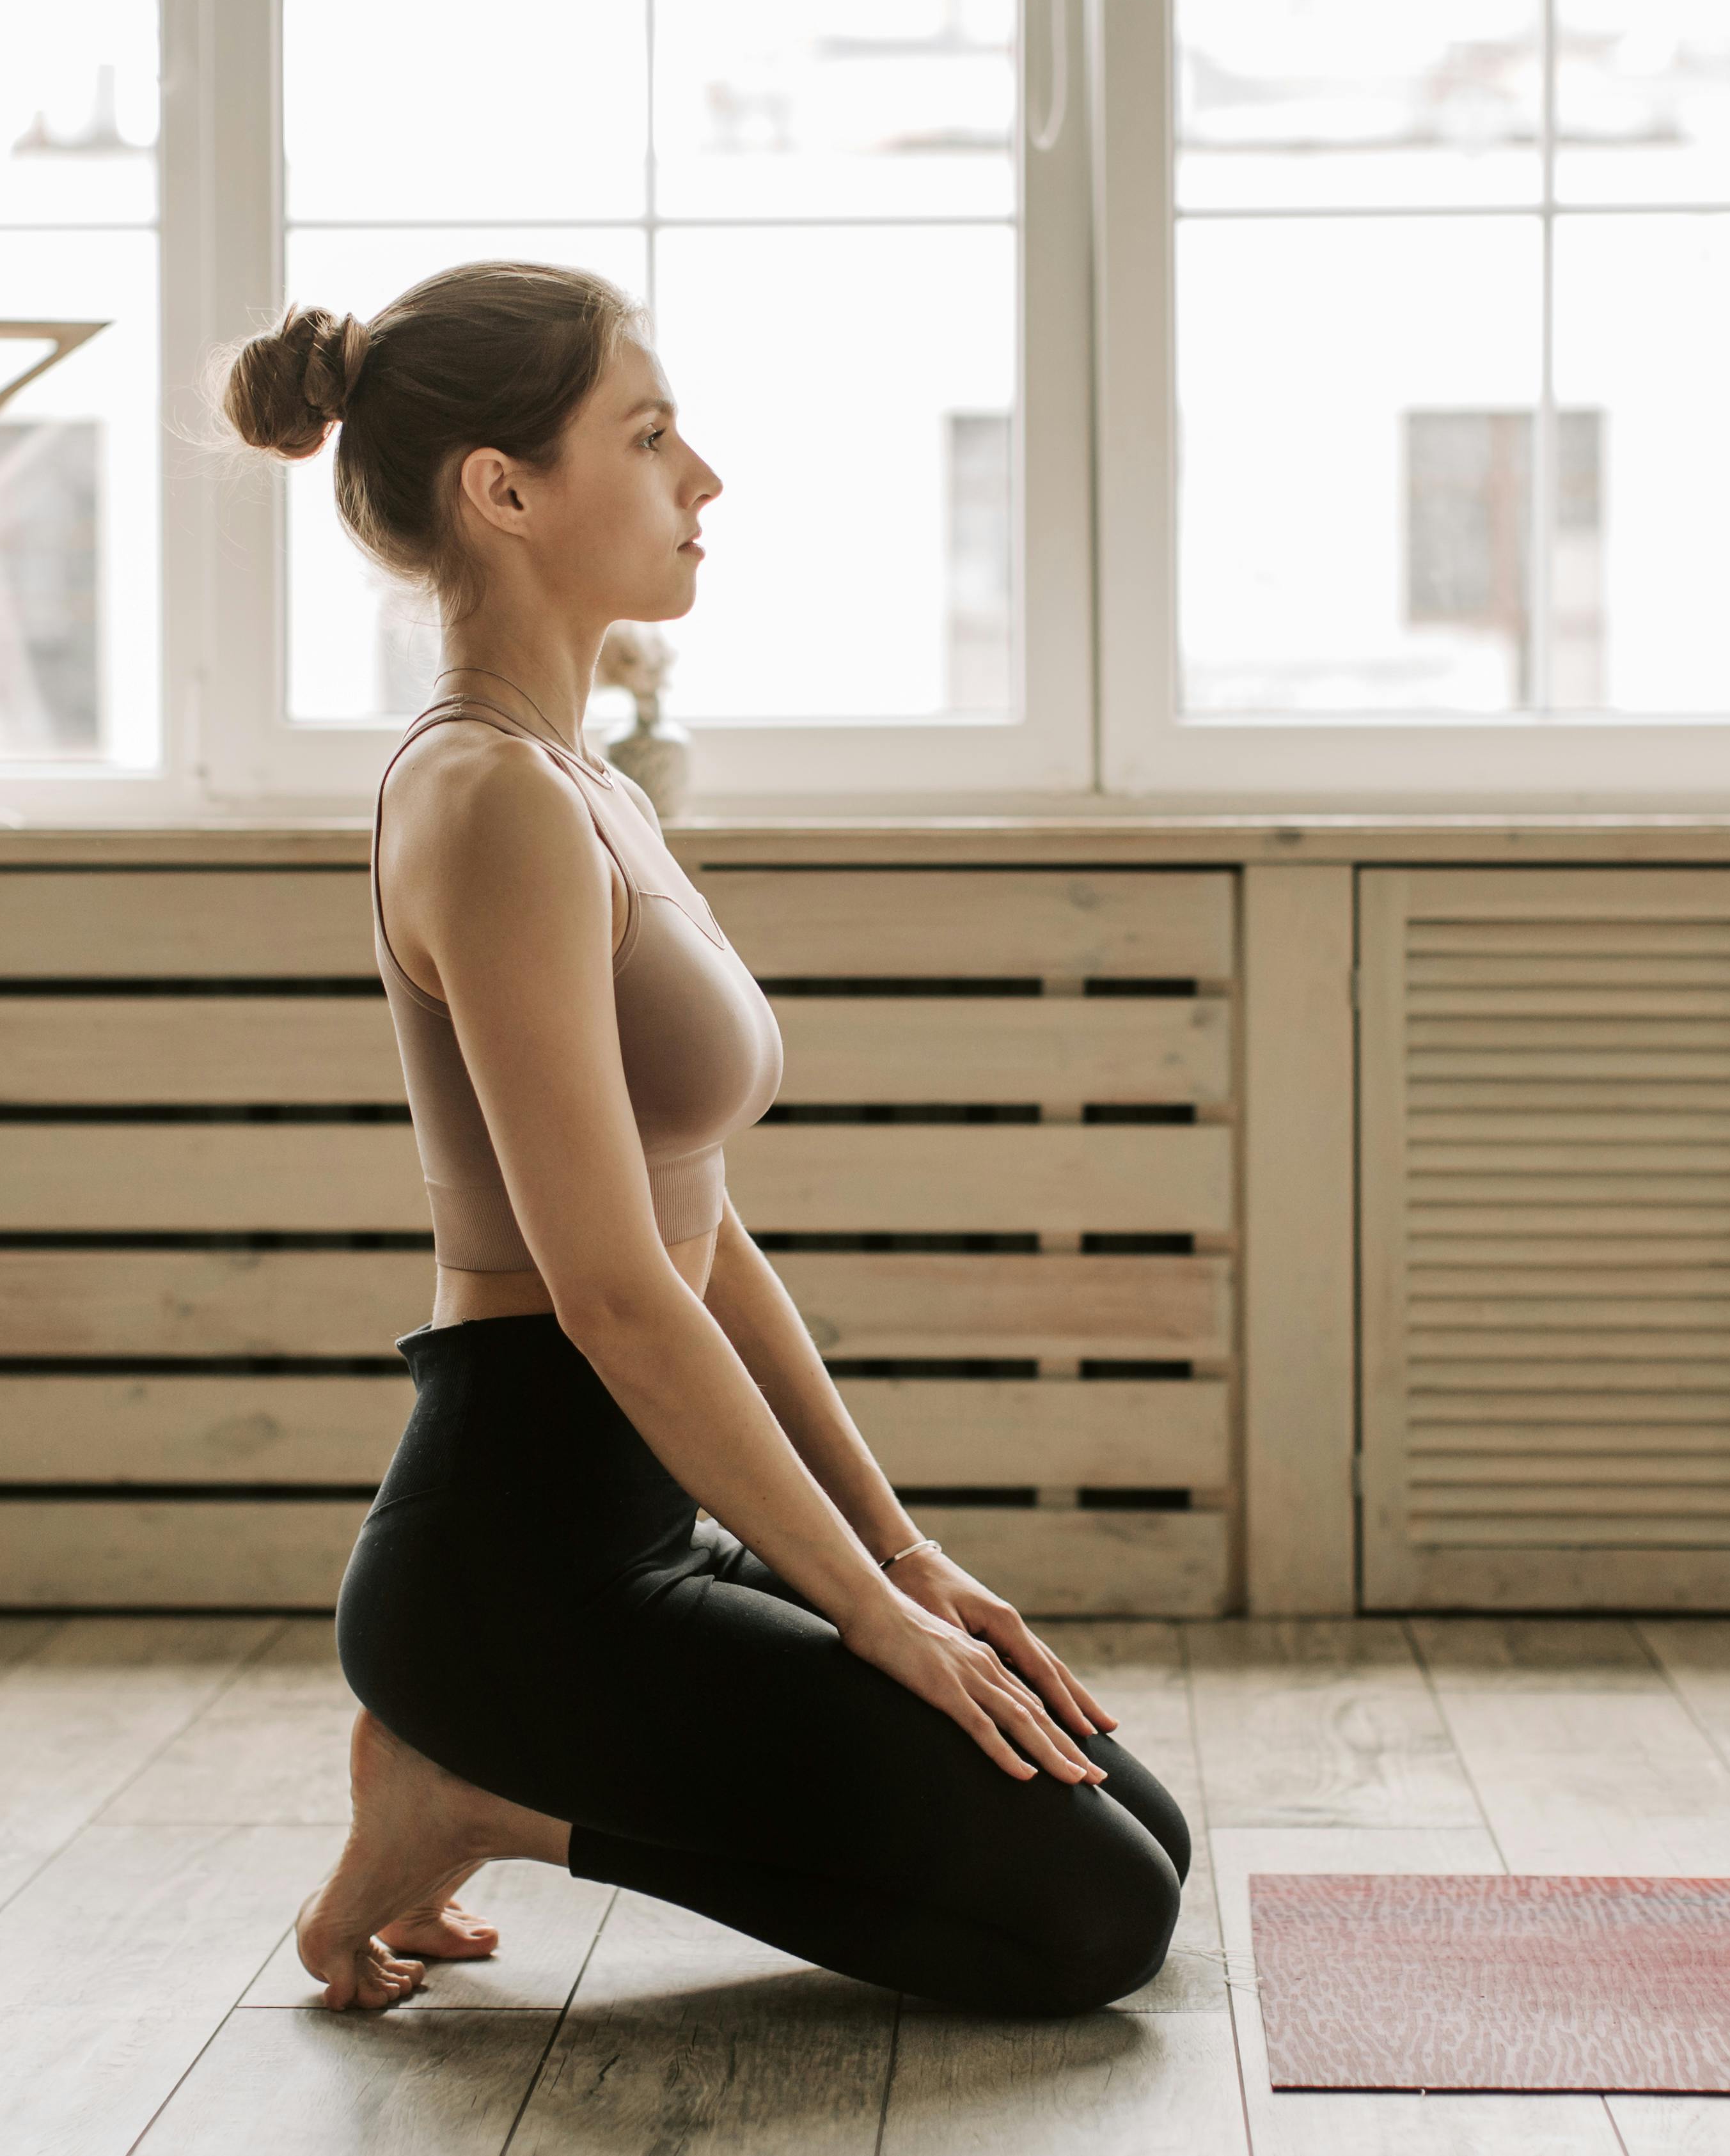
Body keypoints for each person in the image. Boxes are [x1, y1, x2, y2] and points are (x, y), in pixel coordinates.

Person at [214, 263, 1190, 2018]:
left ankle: (481, 1778)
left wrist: (902, 1558)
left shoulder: (580, 778)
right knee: (1092, 1919)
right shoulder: (484, 798)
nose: (702, 482)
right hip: (519, 1558)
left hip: (649, 1512)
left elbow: (703, 1235)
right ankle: (475, 1792)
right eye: (648, 437)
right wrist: (864, 1613)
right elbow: (607, 1294)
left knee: (1135, 1826)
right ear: (501, 491)